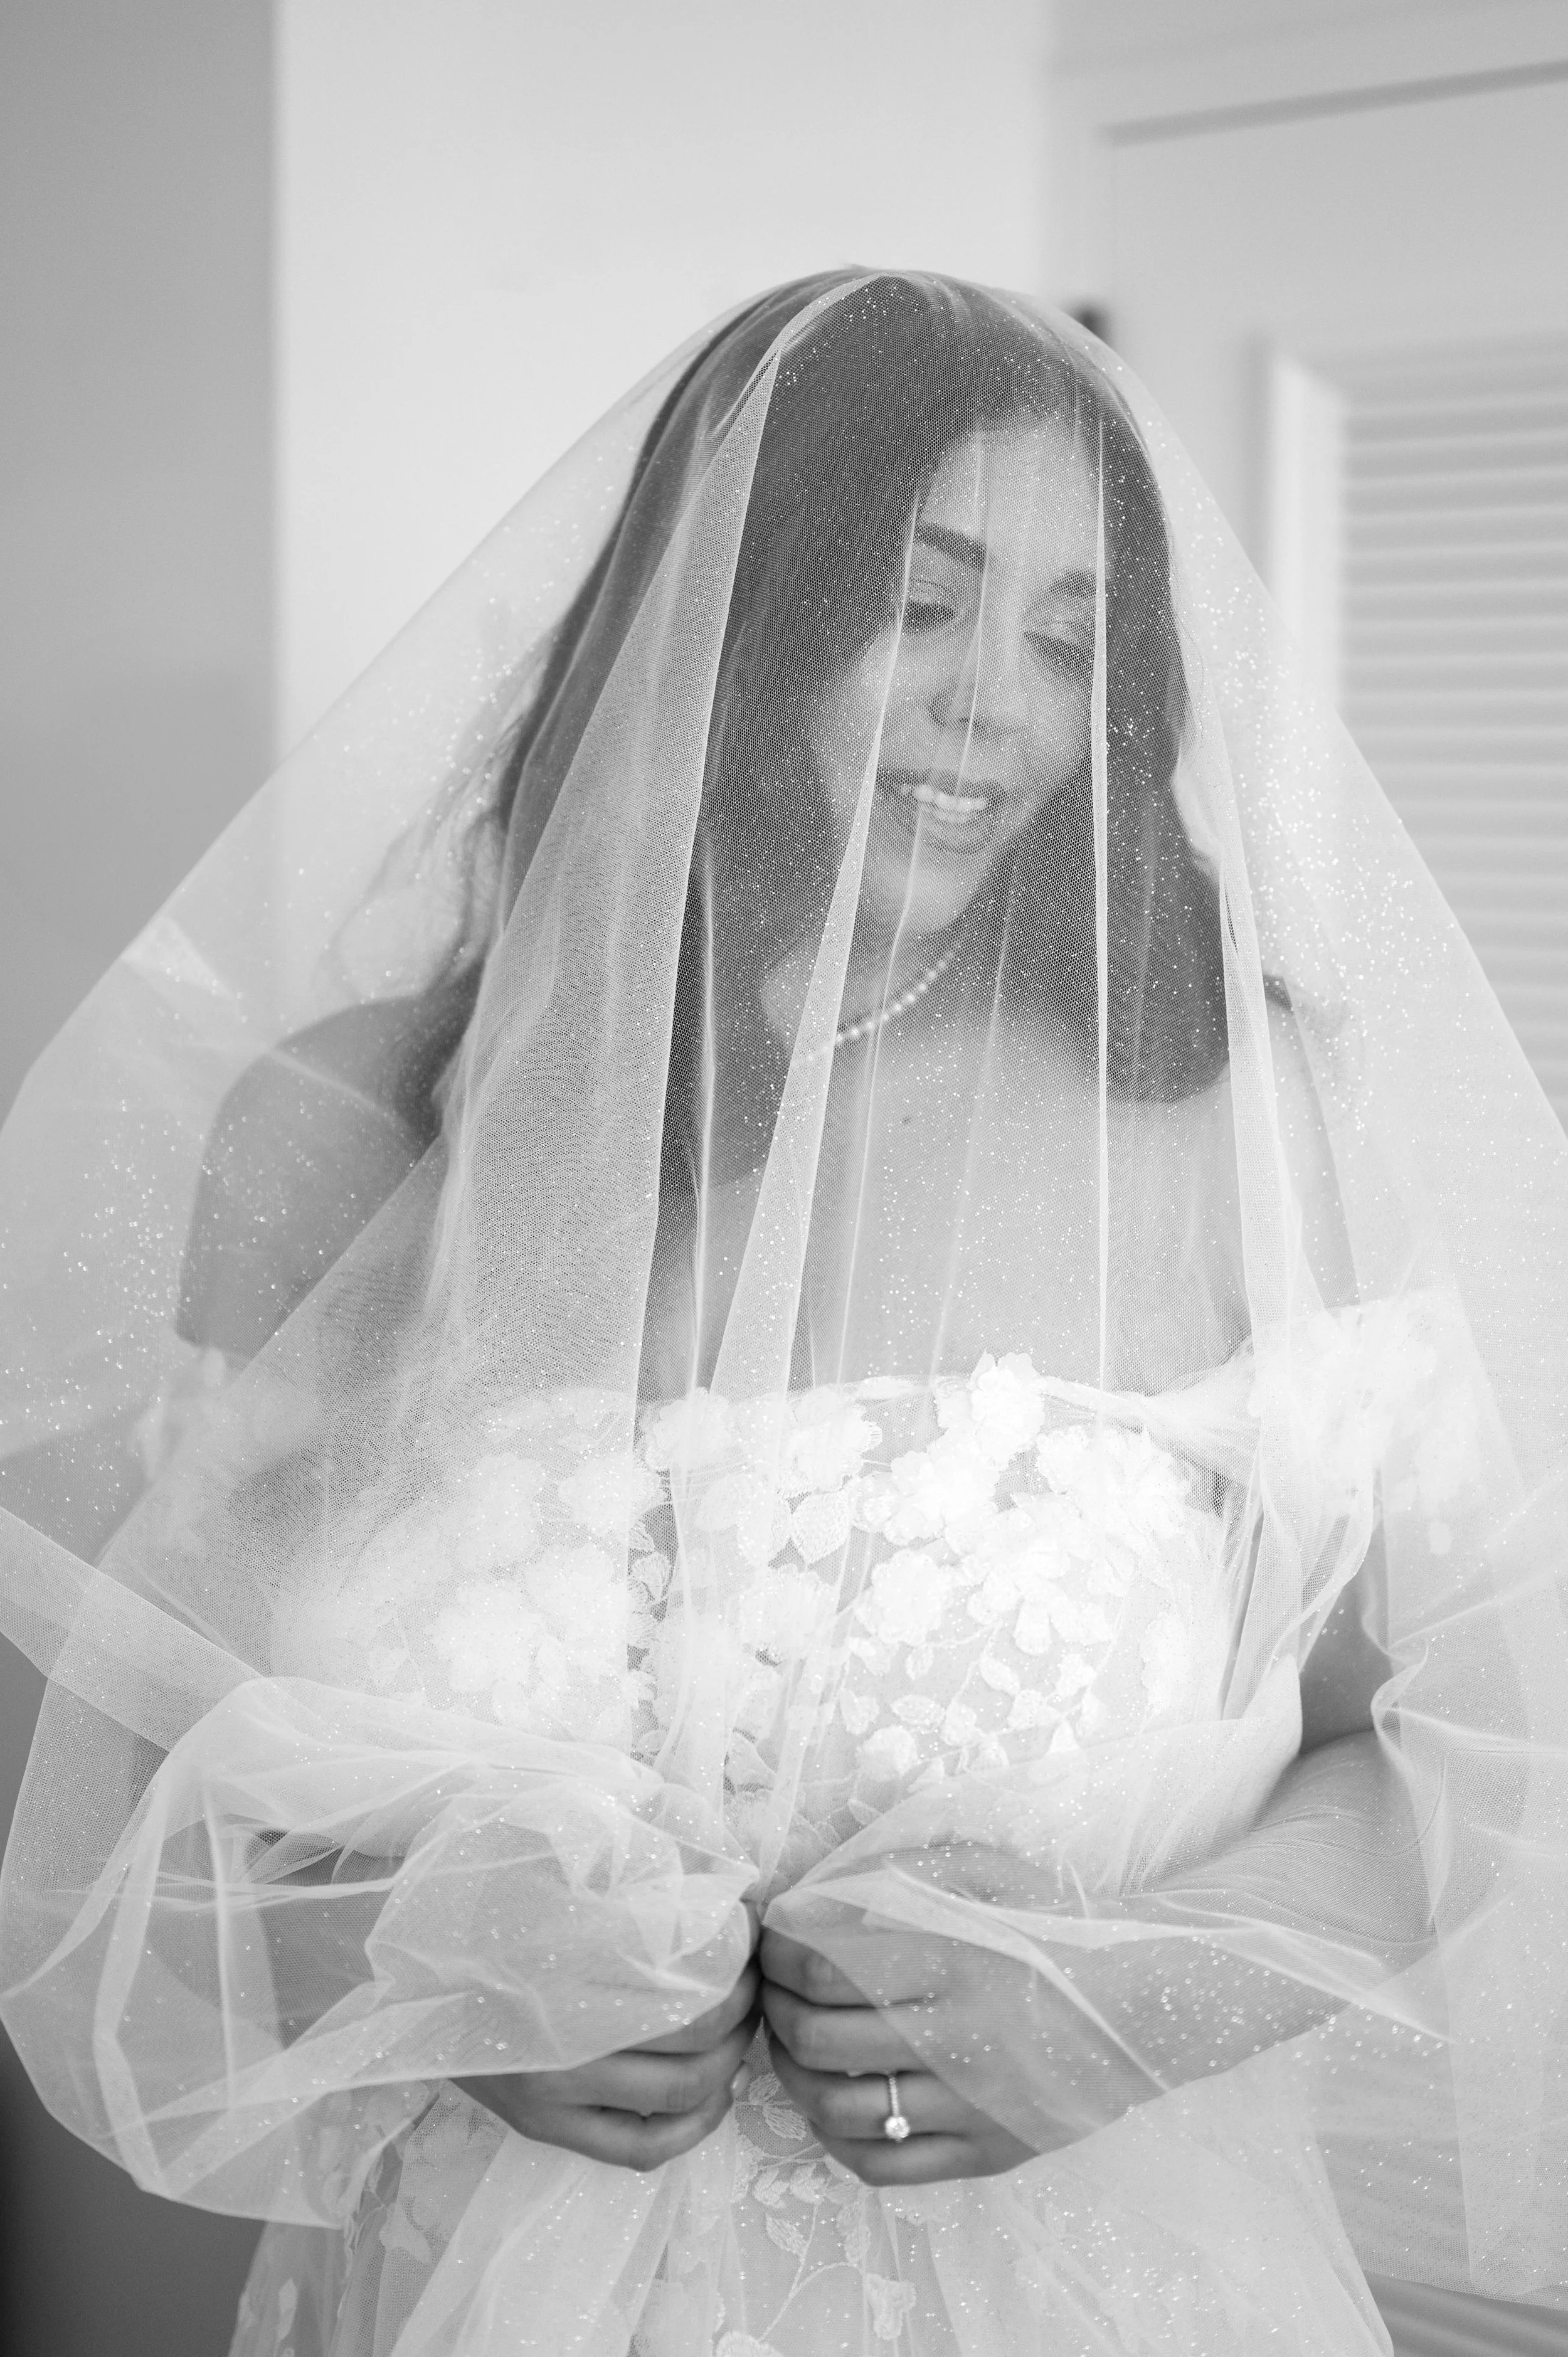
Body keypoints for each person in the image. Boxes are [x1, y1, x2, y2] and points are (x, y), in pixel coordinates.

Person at [0, 272, 1563, 2357]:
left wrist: (1142, 1992)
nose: (997, 711)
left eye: (1070, 641)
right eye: (917, 607)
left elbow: (1475, 1727)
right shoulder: (344, 1134)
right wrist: (405, 1957)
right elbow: (140, 1767)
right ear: (726, 616)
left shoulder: (1218, 1123)